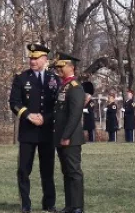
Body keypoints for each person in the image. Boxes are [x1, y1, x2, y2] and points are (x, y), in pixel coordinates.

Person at [9, 43, 59, 213]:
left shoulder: (54, 79)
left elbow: (58, 106)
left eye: (36, 58)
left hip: (47, 132)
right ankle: (25, 205)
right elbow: (14, 103)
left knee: (47, 170)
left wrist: (45, 118)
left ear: (45, 59)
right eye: (31, 57)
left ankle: (49, 204)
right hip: (28, 132)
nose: (32, 61)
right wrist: (28, 115)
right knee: (24, 170)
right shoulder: (21, 78)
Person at [53, 52, 86, 213]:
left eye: (61, 66)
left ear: (71, 67)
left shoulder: (75, 87)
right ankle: (69, 205)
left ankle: (78, 206)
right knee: (66, 172)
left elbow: (75, 115)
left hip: (71, 138)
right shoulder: (63, 86)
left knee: (74, 172)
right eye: (58, 66)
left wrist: (66, 136)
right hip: (61, 137)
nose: (59, 69)